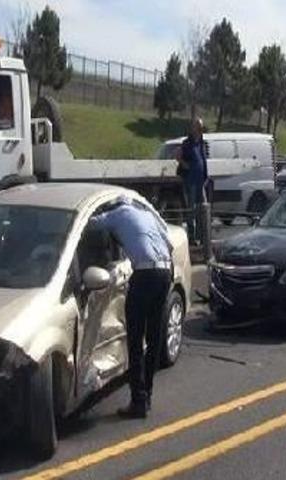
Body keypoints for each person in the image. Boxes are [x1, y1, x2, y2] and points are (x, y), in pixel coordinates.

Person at [88, 196, 173, 419]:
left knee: (135, 340)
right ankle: (147, 396)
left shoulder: (117, 214)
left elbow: (90, 224)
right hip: (165, 272)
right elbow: (169, 242)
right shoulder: (147, 215)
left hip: (144, 275)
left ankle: (138, 402)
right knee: (154, 338)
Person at [176, 118, 208, 246]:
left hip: (201, 181)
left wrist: (205, 176)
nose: (199, 129)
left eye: (200, 127)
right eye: (197, 126)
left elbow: (203, 159)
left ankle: (202, 236)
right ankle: (192, 237)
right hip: (191, 181)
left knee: (203, 208)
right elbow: (178, 156)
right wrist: (185, 164)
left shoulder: (201, 143)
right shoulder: (187, 143)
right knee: (191, 210)